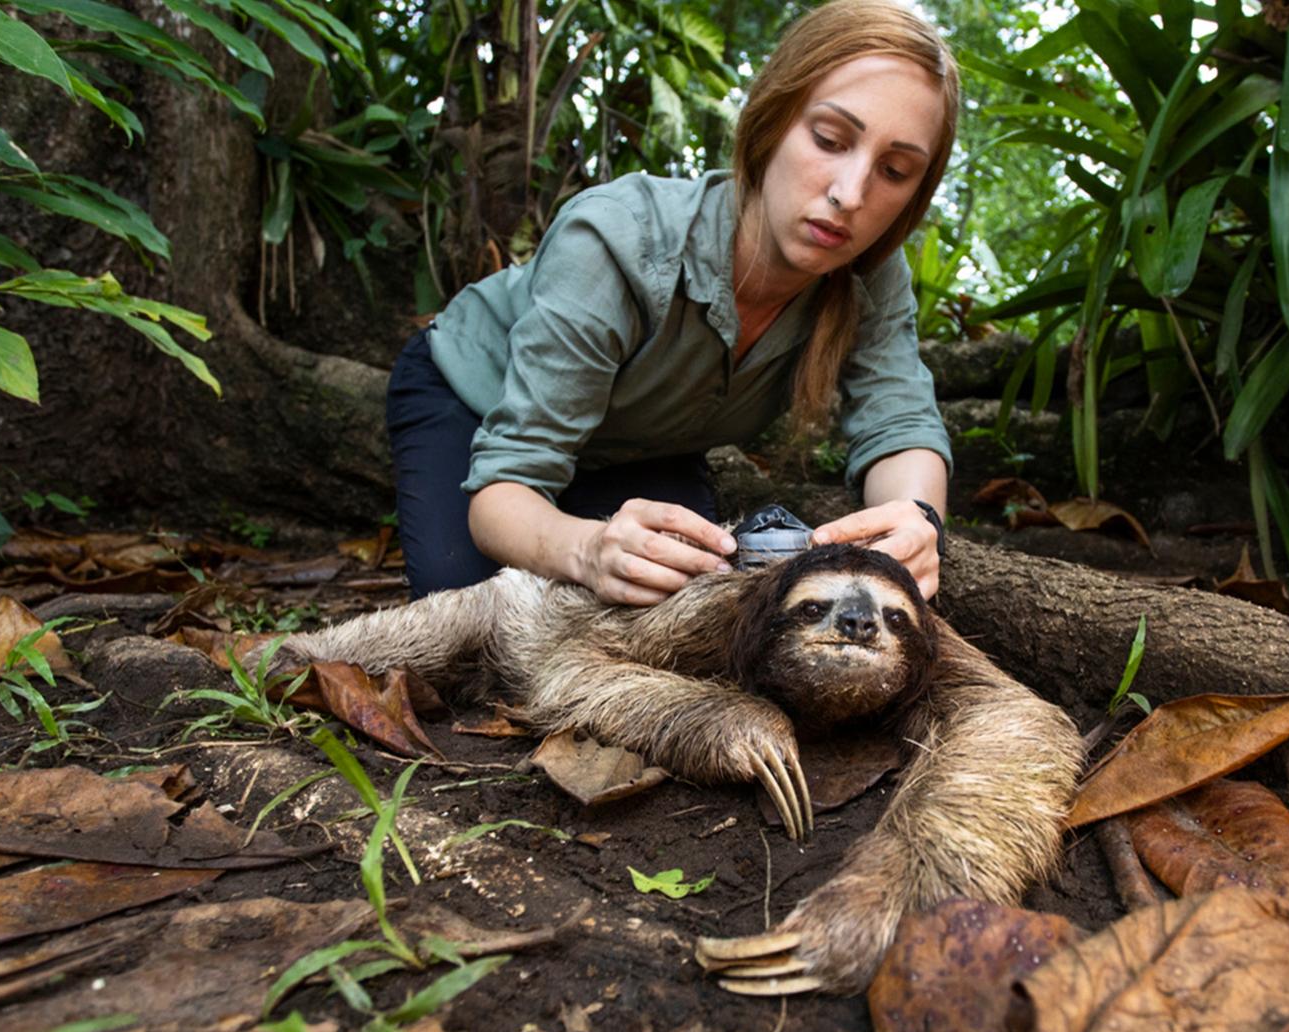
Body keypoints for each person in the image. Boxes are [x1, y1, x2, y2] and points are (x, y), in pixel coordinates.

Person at [388, 0, 957, 605]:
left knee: (699, 601)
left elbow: (900, 423)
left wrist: (916, 523)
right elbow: (508, 485)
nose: (850, 194)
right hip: (475, 397)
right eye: (829, 139)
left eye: (895, 171)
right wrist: (586, 549)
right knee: (471, 598)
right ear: (771, 121)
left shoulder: (871, 273)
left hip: (639, 443)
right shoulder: (616, 238)